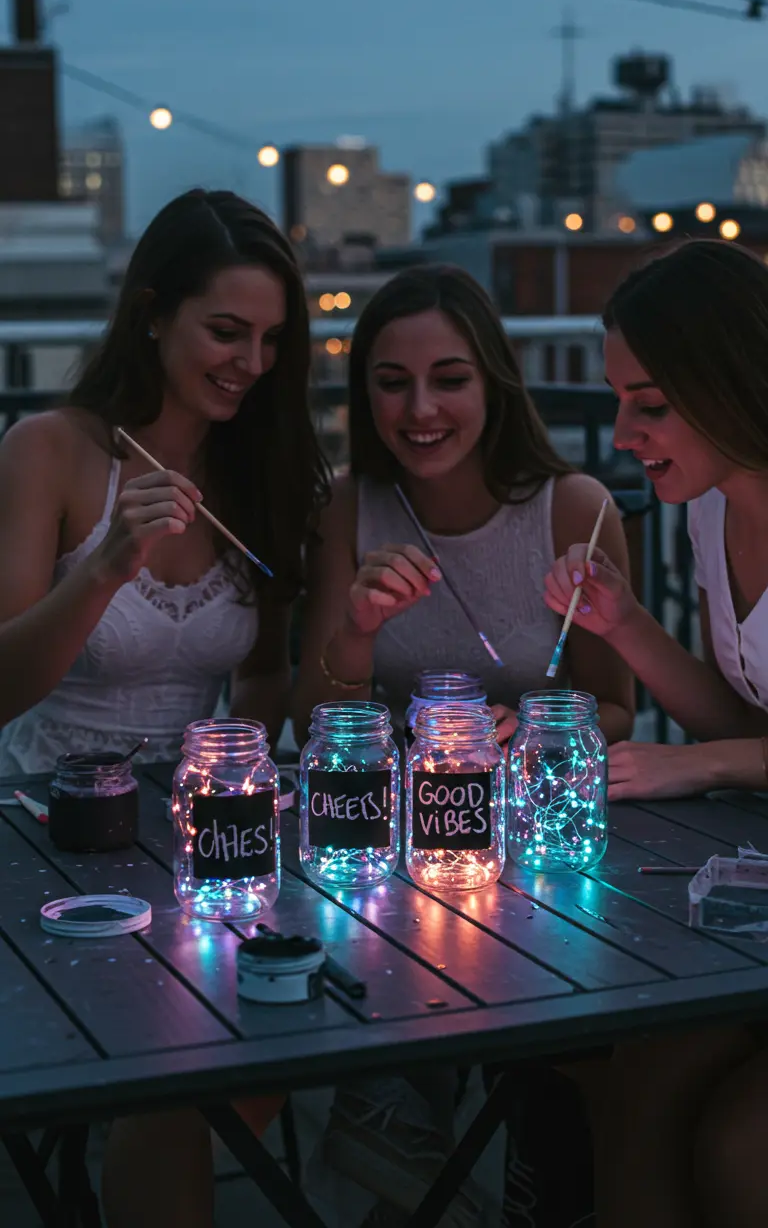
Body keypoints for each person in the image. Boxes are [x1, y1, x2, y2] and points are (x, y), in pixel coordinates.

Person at [0, 188, 329, 1227]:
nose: (250, 362)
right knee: (180, 1065)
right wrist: (103, 565)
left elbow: (267, 679)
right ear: (151, 312)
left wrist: (258, 756)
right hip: (45, 826)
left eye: (272, 339)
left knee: (291, 1017)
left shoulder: (262, 465)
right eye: (225, 330)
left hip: (202, 831)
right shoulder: (49, 448)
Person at [292, 263, 634, 1225]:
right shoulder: (350, 504)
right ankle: (408, 1153)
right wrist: (357, 626)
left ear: (493, 382)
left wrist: (529, 731)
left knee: (567, 1026)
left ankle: (520, 1163)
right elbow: (309, 720)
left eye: (450, 378)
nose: (421, 407)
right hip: (388, 857)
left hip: (533, 855)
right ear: (364, 395)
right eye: (392, 383)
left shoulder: (573, 507)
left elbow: (616, 709)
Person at [543, 238, 768, 1228]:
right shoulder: (711, 512)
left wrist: (702, 763)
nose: (624, 431)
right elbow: (743, 716)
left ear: (729, 382)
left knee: (735, 1145)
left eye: (651, 404)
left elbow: (724, 744)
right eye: (618, 399)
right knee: (634, 1071)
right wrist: (622, 622)